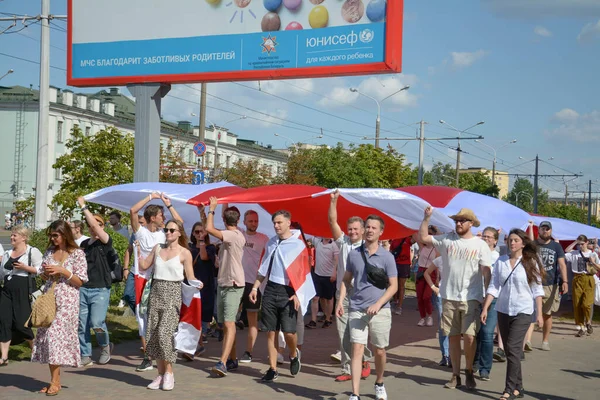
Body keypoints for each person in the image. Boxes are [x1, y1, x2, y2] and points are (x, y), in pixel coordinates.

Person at [418, 207, 492, 390]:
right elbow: (424, 238)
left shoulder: (480, 244)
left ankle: (469, 370)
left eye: (463, 220)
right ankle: (455, 375)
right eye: (457, 220)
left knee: (469, 337)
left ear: (471, 224)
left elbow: (486, 271)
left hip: (471, 297)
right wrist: (426, 218)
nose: (458, 223)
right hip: (448, 296)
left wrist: (486, 294)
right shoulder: (447, 240)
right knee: (452, 337)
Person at [336, 214, 398, 400]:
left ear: (381, 232)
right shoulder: (354, 254)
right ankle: (355, 393)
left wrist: (378, 304)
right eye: (368, 227)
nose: (370, 230)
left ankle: (379, 382)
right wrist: (340, 301)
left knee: (379, 350)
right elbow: (346, 280)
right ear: (364, 230)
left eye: (374, 228)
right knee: (357, 349)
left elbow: (394, 286)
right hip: (357, 308)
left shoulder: (387, 257)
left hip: (381, 310)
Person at [482, 229, 544, 400]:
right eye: (510, 240)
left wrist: (539, 314)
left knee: (513, 348)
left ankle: (508, 390)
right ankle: (519, 387)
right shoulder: (501, 261)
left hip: (523, 310)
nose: (512, 243)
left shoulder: (530, 262)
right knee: (510, 350)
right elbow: (494, 286)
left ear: (523, 243)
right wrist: (486, 307)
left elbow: (537, 289)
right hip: (503, 309)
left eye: (516, 240)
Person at [139, 219, 200, 390]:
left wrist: (197, 284)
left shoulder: (184, 253)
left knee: (166, 334)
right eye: (166, 230)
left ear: (180, 232)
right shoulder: (158, 248)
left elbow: (190, 276)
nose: (168, 233)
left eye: (172, 230)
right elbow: (144, 265)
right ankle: (160, 374)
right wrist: (136, 250)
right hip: (156, 292)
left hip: (173, 294)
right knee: (154, 334)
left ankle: (169, 373)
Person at [32, 220, 88, 396]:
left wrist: (63, 271)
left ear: (64, 234)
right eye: (51, 235)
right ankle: (54, 380)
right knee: (49, 339)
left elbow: (81, 281)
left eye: (55, 235)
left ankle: (55, 382)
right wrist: (46, 273)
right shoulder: (49, 251)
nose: (52, 238)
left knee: (55, 336)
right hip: (50, 298)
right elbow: (43, 275)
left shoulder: (77, 254)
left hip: (68, 301)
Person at [249, 210, 305, 382]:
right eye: (274, 223)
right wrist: (255, 288)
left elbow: (303, 271)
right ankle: (272, 368)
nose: (276, 226)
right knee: (270, 332)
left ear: (288, 223)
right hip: (271, 289)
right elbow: (263, 268)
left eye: (279, 222)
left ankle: (294, 354)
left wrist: (297, 293)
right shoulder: (271, 243)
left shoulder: (298, 244)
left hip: (288, 291)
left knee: (289, 333)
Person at [130, 192, 182, 372]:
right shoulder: (141, 232)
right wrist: (151, 197)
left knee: (160, 320)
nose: (164, 218)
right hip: (142, 279)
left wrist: (168, 205)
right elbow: (133, 210)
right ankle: (147, 356)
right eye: (161, 215)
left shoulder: (164, 234)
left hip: (160, 279)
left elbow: (180, 224)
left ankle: (159, 353)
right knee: (142, 319)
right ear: (153, 218)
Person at [328, 190, 372, 382]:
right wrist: (334, 201)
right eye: (350, 229)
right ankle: (347, 368)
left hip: (362, 295)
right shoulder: (343, 242)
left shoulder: (369, 247)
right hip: (342, 294)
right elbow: (332, 222)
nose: (353, 232)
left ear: (363, 230)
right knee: (343, 333)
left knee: (359, 332)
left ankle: (363, 359)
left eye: (356, 229)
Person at [205, 197, 246, 377]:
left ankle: (222, 362)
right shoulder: (232, 233)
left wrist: (211, 209)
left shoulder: (234, 235)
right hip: (224, 283)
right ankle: (232, 359)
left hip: (233, 284)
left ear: (224, 221)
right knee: (225, 325)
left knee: (229, 323)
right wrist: (223, 202)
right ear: (238, 220)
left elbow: (208, 228)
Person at [77, 197, 114, 366]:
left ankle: (105, 346)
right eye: (92, 224)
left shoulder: (105, 241)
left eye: (98, 224)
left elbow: (95, 227)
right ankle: (85, 354)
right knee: (82, 324)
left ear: (102, 227)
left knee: (97, 322)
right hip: (84, 288)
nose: (94, 227)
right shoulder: (84, 243)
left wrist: (84, 206)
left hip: (100, 289)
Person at [0, 226, 43, 365]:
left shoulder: (32, 251)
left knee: (21, 323)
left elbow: (40, 270)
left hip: (23, 289)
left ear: (23, 238)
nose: (12, 238)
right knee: (4, 321)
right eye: (12, 235)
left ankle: (35, 349)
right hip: (7, 289)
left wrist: (25, 267)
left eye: (15, 236)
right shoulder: (7, 253)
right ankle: (4, 356)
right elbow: (2, 273)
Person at [238, 210, 269, 363]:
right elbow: (226, 216)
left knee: (253, 320)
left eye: (256, 221)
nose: (254, 224)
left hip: (254, 284)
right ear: (244, 222)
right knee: (229, 320)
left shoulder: (264, 239)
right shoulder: (239, 234)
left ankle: (248, 352)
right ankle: (229, 354)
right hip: (237, 282)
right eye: (250, 221)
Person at [535, 221, 568, 350]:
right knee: (530, 312)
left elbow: (562, 265)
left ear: (551, 231)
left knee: (547, 314)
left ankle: (545, 341)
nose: (545, 231)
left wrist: (565, 281)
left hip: (550, 284)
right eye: (543, 229)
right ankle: (526, 341)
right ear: (539, 230)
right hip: (534, 283)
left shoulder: (556, 246)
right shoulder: (533, 245)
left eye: (548, 229)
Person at [473, 227, 501, 380]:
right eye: (484, 236)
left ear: (496, 240)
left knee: (487, 333)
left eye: (489, 237)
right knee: (476, 333)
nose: (486, 239)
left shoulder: (497, 257)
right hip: (476, 296)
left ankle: (485, 368)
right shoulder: (476, 253)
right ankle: (475, 362)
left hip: (492, 298)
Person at [188, 220, 217, 356]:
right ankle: (195, 345)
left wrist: (202, 242)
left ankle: (197, 345)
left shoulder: (210, 247)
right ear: (192, 234)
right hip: (190, 285)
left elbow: (204, 257)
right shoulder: (188, 248)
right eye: (197, 232)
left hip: (204, 286)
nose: (199, 234)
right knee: (191, 316)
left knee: (199, 317)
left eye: (202, 232)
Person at [565, 235, 600, 337]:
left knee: (587, 304)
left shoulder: (593, 254)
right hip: (577, 279)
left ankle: (588, 322)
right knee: (577, 304)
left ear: (587, 242)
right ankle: (581, 327)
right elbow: (567, 250)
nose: (581, 246)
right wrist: (575, 242)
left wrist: (593, 262)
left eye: (582, 243)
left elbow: (599, 267)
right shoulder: (575, 253)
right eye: (579, 244)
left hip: (589, 278)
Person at [306, 237, 339, 329]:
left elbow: (336, 260)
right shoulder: (317, 241)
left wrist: (334, 273)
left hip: (329, 276)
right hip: (317, 274)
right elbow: (307, 235)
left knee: (328, 298)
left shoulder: (334, 245)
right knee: (315, 298)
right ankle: (313, 320)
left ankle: (328, 318)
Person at [423, 256, 450, 367]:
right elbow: (426, 273)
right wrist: (434, 287)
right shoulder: (440, 259)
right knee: (443, 326)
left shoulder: (460, 257)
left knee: (454, 327)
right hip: (441, 295)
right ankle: (445, 355)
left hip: (456, 297)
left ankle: (452, 355)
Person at [415, 227, 439, 327]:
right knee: (420, 297)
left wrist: (437, 278)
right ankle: (422, 318)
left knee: (426, 297)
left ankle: (429, 316)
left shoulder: (437, 249)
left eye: (430, 234)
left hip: (431, 272)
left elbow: (437, 265)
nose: (428, 235)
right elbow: (415, 234)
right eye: (427, 233)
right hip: (421, 271)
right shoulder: (422, 246)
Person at [121, 214, 145, 313]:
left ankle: (143, 318)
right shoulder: (135, 234)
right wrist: (125, 268)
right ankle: (140, 315)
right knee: (128, 294)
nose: (139, 225)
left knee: (145, 297)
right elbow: (129, 250)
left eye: (141, 223)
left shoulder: (154, 234)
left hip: (147, 271)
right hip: (134, 269)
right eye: (138, 223)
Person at [389, 236, 413, 315]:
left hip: (404, 265)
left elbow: (416, 239)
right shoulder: (394, 239)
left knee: (401, 285)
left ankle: (399, 306)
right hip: (395, 263)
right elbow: (391, 251)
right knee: (393, 284)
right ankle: (395, 301)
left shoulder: (408, 239)